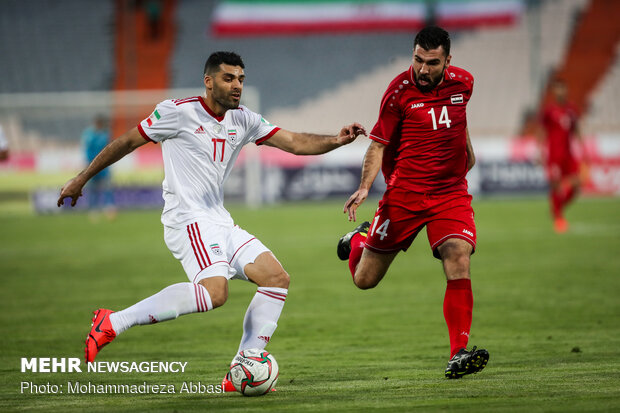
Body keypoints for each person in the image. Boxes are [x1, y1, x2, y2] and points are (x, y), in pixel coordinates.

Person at [58, 51, 366, 391]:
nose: (237, 86)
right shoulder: (178, 112)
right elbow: (127, 141)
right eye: (228, 78)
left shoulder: (243, 119)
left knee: (276, 278)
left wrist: (337, 140)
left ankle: (243, 367)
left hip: (219, 220)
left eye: (241, 80)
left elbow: (293, 141)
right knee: (215, 293)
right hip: (187, 219)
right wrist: (82, 178)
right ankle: (113, 321)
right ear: (209, 82)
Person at [336, 26, 489, 379]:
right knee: (365, 280)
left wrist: (467, 153)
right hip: (405, 195)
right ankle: (358, 238)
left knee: (458, 255)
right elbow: (378, 144)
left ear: (447, 61)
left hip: (449, 192)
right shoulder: (398, 92)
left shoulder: (463, 82)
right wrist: (364, 188)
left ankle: (458, 352)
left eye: (431, 63)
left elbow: (458, 118)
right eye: (418, 60)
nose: (422, 69)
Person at [538, 78, 584, 233]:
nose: (561, 91)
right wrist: (540, 151)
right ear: (553, 92)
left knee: (577, 185)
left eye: (563, 88)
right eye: (557, 89)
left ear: (566, 90)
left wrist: (584, 149)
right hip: (554, 155)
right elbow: (542, 131)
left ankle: (557, 208)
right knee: (556, 186)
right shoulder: (549, 111)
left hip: (568, 154)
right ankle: (559, 219)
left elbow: (576, 129)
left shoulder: (571, 109)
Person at [81, 115, 116, 218]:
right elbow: (87, 150)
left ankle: (109, 208)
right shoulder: (89, 134)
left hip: (104, 166)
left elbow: (110, 148)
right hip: (92, 165)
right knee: (93, 188)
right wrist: (87, 164)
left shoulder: (106, 134)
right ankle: (93, 209)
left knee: (107, 187)